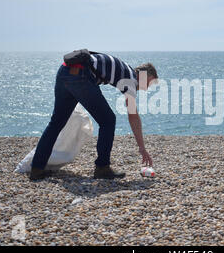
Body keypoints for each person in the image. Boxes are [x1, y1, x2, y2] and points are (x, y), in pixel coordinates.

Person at [29, 50, 158, 180]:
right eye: (149, 82)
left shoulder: (125, 70)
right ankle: (102, 168)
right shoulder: (131, 79)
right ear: (143, 75)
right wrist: (142, 148)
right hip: (81, 76)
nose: (147, 87)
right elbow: (133, 116)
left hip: (64, 71)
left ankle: (37, 169)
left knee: (56, 123)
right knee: (108, 120)